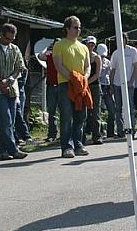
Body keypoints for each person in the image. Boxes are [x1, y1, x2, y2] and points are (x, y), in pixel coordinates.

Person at [0, 23, 28, 161]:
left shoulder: (14, 49)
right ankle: (13, 149)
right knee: (5, 119)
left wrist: (9, 80)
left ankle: (2, 151)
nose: (10, 41)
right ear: (2, 35)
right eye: (8, 38)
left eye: (12, 39)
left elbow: (20, 67)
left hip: (12, 88)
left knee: (11, 121)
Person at [52, 16, 91, 158]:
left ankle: (79, 144)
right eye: (75, 27)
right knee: (67, 116)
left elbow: (88, 66)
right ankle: (67, 147)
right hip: (65, 85)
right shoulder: (59, 45)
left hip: (81, 86)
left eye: (79, 27)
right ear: (67, 28)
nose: (78, 30)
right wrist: (73, 79)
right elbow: (59, 66)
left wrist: (84, 78)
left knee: (81, 116)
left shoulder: (83, 47)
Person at [109, 32, 137, 138]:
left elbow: (136, 67)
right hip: (117, 84)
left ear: (126, 39)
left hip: (129, 84)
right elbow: (112, 70)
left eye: (122, 39)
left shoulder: (132, 51)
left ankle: (132, 129)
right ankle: (120, 131)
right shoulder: (116, 53)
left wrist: (131, 81)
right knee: (118, 108)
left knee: (130, 107)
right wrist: (111, 84)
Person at [38, 39, 59, 142]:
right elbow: (40, 56)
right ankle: (52, 134)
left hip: (62, 86)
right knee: (52, 112)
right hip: (51, 86)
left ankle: (64, 133)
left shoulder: (63, 56)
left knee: (64, 112)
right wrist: (47, 47)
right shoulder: (49, 55)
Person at [83, 36, 103, 145]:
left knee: (95, 112)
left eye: (92, 44)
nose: (90, 46)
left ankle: (97, 136)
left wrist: (87, 82)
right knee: (83, 112)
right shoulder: (83, 56)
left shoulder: (97, 58)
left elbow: (97, 74)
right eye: (89, 44)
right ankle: (82, 136)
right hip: (84, 86)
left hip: (94, 86)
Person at [96, 43, 115, 138]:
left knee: (112, 109)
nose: (103, 56)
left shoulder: (108, 62)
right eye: (101, 55)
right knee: (98, 111)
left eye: (104, 55)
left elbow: (110, 74)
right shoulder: (94, 60)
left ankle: (110, 131)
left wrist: (111, 86)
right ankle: (99, 132)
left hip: (107, 86)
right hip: (98, 85)